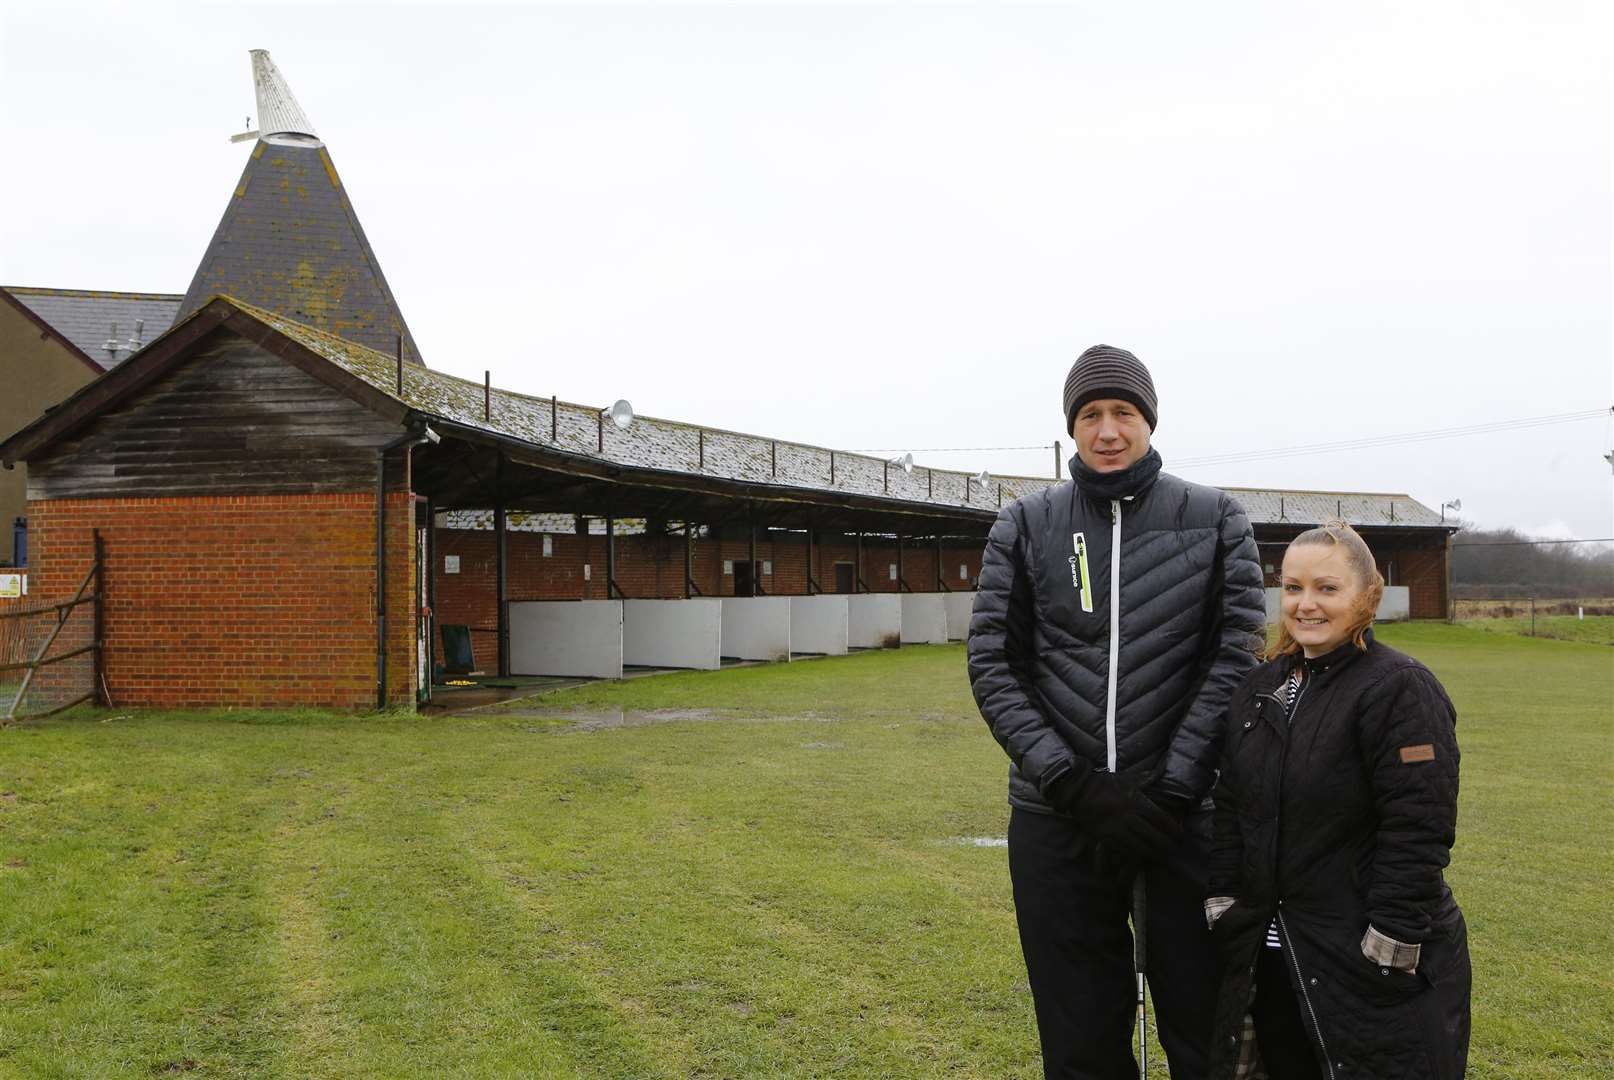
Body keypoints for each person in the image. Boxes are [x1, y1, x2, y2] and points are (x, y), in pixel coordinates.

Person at [967, 343, 1267, 1079]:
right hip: (1057, 821)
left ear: (1149, 421)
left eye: (1123, 412)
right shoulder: (1025, 524)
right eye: (1091, 413)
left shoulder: (1217, 518)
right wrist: (1071, 785)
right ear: (1072, 425)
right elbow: (993, 664)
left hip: (1183, 822)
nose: (1108, 429)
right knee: (1080, 1039)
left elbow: (1235, 657)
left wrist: (1172, 788)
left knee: (1203, 1032)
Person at [1205, 521, 1471, 1079]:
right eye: (1294, 587)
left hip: (1364, 962)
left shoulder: (1398, 687)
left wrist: (1392, 935)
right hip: (1273, 957)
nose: (1307, 605)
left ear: (1366, 594)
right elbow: (1231, 804)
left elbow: (1417, 824)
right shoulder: (1259, 689)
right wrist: (1226, 900)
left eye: (1327, 588)